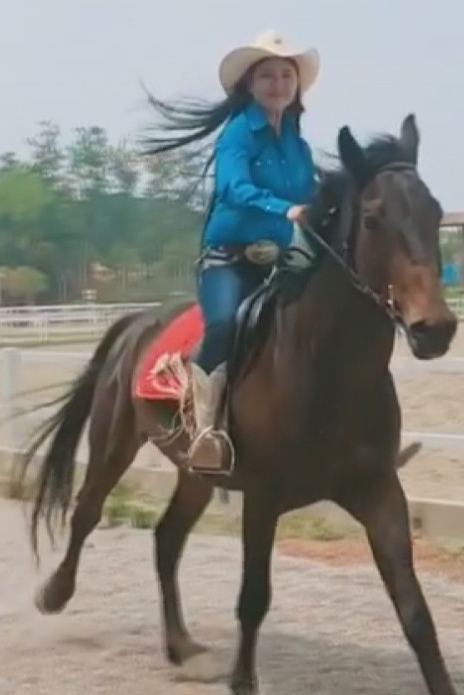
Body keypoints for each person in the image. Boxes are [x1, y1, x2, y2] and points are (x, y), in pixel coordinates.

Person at [142, 30, 320, 473]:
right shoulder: (238, 134)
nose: (278, 83)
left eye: (285, 75)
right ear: (250, 85)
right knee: (222, 325)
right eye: (267, 76)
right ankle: (206, 431)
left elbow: (312, 193)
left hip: (279, 257)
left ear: (296, 86)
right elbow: (234, 189)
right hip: (229, 260)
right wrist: (288, 208)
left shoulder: (298, 144)